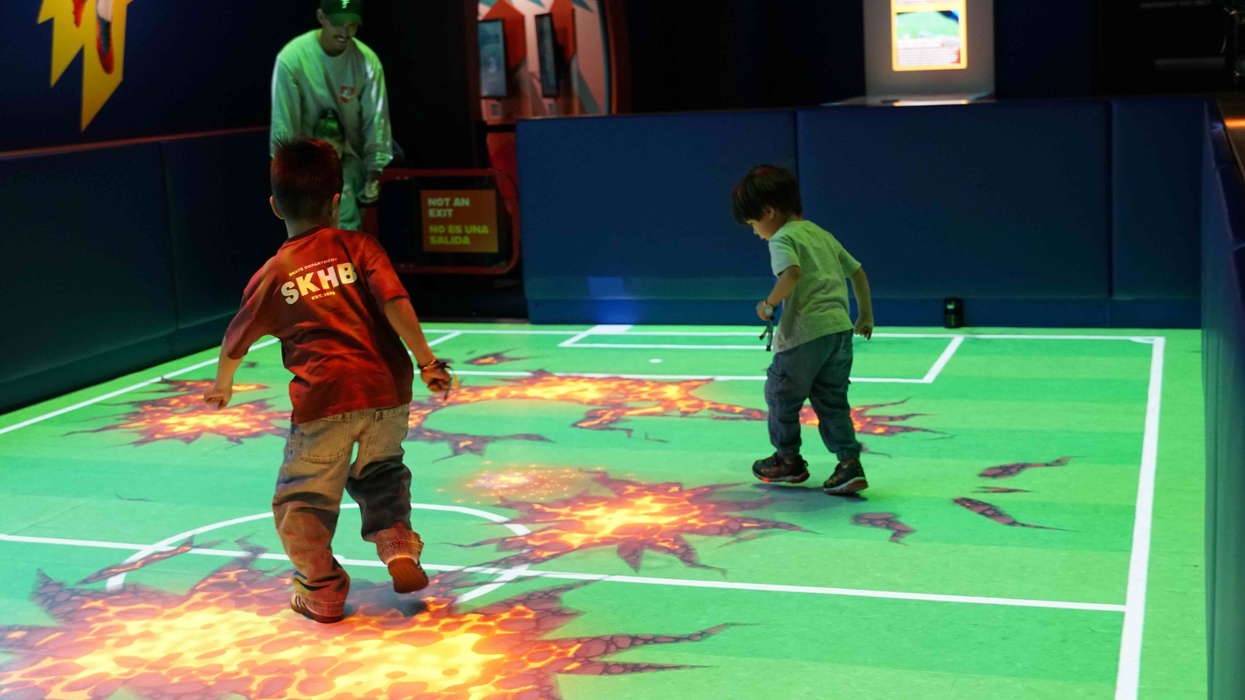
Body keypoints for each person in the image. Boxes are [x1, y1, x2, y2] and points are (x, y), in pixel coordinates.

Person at [204, 138, 451, 623]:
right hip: (387, 393)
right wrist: (427, 362)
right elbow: (395, 303)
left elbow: (236, 338)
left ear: (275, 206)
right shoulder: (361, 247)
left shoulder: (274, 273)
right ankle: (396, 543)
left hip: (324, 400)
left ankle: (321, 590)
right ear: (338, 202)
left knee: (303, 499)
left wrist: (223, 384)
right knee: (381, 471)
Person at [731, 164, 876, 496]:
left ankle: (788, 461)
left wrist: (768, 304)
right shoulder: (821, 234)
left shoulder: (782, 238)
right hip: (839, 333)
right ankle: (848, 465)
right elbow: (858, 273)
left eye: (753, 223)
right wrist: (865, 315)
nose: (755, 231)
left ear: (768, 212)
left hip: (803, 336)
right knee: (833, 402)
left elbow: (791, 274)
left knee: (782, 396)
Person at [270, 0, 392, 232]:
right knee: (309, 249)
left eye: (352, 24)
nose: (345, 32)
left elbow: (377, 127)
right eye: (338, 24)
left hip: (350, 172)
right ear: (321, 16)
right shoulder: (292, 59)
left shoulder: (368, 63)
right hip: (305, 175)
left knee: (348, 243)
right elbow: (282, 130)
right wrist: (288, 186)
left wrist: (371, 182)